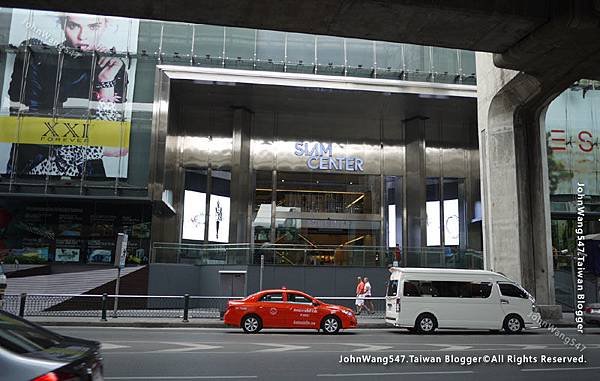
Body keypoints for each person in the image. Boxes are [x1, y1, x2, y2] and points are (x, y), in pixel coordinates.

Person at [7, 13, 128, 177]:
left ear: (105, 26)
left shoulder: (112, 67)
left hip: (89, 178)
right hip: (34, 168)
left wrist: (105, 81)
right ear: (63, 25)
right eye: (73, 26)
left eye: (93, 27)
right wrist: (88, 147)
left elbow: (116, 145)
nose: (82, 36)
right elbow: (27, 126)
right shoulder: (38, 55)